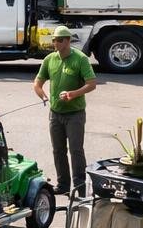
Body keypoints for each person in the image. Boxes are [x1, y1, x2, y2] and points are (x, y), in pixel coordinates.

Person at [33, 25, 97, 196]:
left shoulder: (80, 59)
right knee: (58, 150)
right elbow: (37, 84)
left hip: (75, 114)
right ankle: (63, 185)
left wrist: (73, 94)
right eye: (54, 39)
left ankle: (80, 186)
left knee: (76, 150)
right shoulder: (50, 59)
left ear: (68, 41)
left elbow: (92, 84)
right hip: (55, 114)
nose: (56, 43)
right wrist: (44, 96)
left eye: (59, 40)